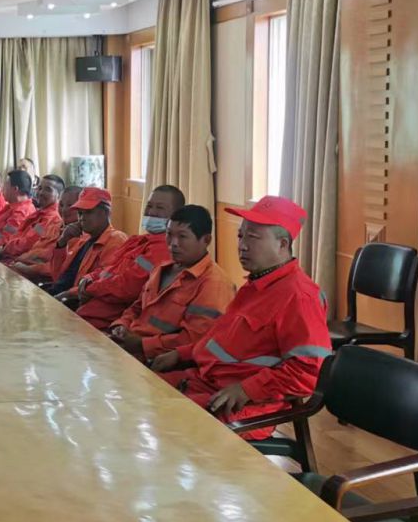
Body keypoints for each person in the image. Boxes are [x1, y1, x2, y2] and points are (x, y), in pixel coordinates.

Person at [150, 196, 331, 440]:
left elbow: (308, 372)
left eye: (253, 237)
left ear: (282, 244)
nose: (242, 245)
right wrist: (181, 354)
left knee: (154, 418)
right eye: (240, 236)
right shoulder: (256, 284)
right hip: (204, 382)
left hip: (239, 405)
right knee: (137, 391)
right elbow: (221, 340)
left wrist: (246, 390)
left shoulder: (299, 297)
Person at [109, 205, 236, 362]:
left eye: (182, 236)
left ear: (206, 240)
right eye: (169, 234)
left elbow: (194, 339)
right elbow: (136, 307)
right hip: (130, 348)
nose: (173, 243)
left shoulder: (214, 284)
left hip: (161, 361)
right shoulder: (161, 268)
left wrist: (142, 344)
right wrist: (121, 325)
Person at [73, 185, 184, 329]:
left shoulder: (162, 250)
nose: (151, 212)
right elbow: (110, 268)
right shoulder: (138, 241)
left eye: (160, 208)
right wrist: (89, 278)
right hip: (87, 313)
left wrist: (90, 288)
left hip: (108, 324)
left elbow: (128, 288)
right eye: (149, 206)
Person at [43, 187, 129, 293]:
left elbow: (104, 281)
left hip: (73, 299)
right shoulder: (82, 239)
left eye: (88, 212)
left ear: (105, 213)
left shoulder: (116, 240)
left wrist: (69, 294)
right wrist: (62, 243)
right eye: (80, 213)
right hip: (58, 294)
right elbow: (56, 275)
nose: (82, 218)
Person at [2, 176, 67, 268]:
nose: (41, 192)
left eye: (48, 190)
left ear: (59, 195)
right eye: (40, 188)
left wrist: (4, 248)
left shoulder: (52, 219)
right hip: (10, 260)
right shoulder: (38, 214)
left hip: (18, 265)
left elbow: (28, 244)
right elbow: (16, 234)